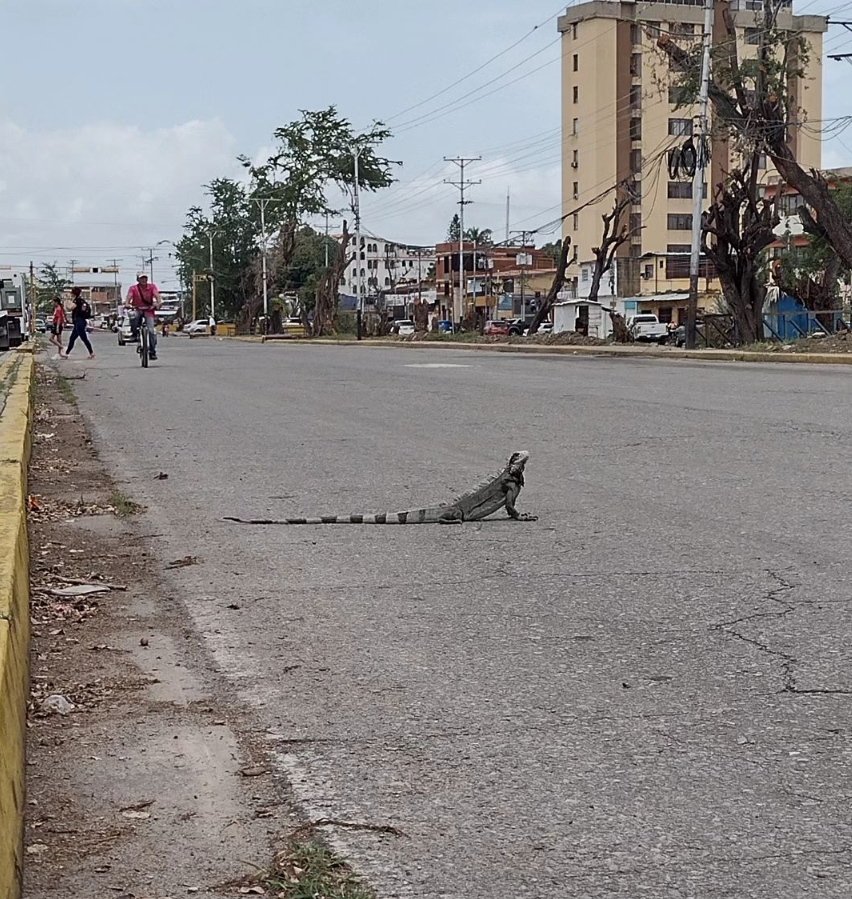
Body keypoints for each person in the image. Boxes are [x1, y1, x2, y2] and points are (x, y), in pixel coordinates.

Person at [126, 272, 160, 360]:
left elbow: (157, 296)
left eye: (145, 278)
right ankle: (134, 333)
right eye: (141, 278)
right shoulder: (133, 288)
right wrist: (127, 304)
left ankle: (152, 351)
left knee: (151, 331)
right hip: (137, 309)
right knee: (133, 317)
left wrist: (158, 303)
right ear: (138, 280)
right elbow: (129, 297)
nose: (144, 280)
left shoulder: (152, 287)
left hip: (149, 310)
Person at [62, 287, 95, 359]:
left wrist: (66, 300)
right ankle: (66, 354)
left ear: (73, 293)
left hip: (79, 322)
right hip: (80, 322)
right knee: (72, 338)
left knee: (84, 338)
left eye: (71, 292)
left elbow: (69, 308)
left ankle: (91, 353)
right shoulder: (81, 300)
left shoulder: (77, 301)